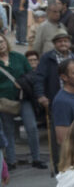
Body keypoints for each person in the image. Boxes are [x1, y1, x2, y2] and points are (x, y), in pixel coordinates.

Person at [0, 32, 45, 169]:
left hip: (22, 98)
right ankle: (12, 161)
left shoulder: (19, 57)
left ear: (6, 42)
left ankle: (36, 158)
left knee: (31, 127)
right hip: (4, 102)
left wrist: (23, 82)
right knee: (8, 131)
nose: (0, 45)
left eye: (1, 42)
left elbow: (32, 75)